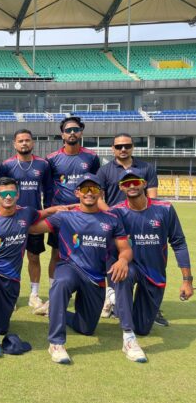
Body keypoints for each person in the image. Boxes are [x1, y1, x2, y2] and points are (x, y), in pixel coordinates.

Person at [29, 174, 143, 364]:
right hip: (70, 267)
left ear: (101, 193)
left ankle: (53, 310)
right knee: (61, 282)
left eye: (94, 189)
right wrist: (50, 210)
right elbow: (32, 228)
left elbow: (125, 249)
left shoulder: (112, 219)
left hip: (95, 277)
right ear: (77, 193)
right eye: (84, 189)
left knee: (86, 328)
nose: (89, 193)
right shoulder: (64, 216)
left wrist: (123, 260)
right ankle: (56, 343)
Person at [0, 177, 68, 357]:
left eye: (12, 192)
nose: (8, 196)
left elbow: (42, 213)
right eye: (4, 193)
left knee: (3, 327)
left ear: (18, 194)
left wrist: (62, 208)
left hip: (12, 277)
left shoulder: (26, 213)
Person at [111, 169, 192, 341]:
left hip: (154, 272)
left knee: (142, 329)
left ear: (144, 183)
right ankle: (126, 329)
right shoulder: (116, 212)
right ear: (121, 187)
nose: (131, 186)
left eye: (135, 181)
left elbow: (179, 243)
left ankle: (125, 309)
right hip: (131, 266)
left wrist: (187, 281)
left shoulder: (165, 209)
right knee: (124, 274)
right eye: (126, 183)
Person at [38, 117, 100, 316]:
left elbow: (97, 185)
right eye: (68, 130)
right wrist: (50, 210)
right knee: (57, 254)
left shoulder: (92, 157)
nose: (72, 133)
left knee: (88, 253)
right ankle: (54, 297)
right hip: (62, 215)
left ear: (81, 132)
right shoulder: (52, 158)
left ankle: (96, 294)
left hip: (85, 215)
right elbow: (47, 187)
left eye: (75, 129)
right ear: (62, 134)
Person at [96, 133, 160, 321]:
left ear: (132, 147)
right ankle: (112, 299)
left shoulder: (146, 168)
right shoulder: (104, 171)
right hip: (116, 225)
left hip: (141, 223)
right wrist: (113, 216)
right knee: (114, 260)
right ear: (112, 149)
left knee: (146, 262)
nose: (123, 149)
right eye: (118, 146)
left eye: (127, 146)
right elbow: (98, 199)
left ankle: (150, 305)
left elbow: (153, 197)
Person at [0, 129, 53, 311]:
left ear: (33, 142)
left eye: (27, 140)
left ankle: (34, 295)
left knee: (34, 257)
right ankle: (9, 295)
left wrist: (48, 212)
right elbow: (0, 191)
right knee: (10, 257)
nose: (24, 143)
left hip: (34, 218)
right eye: (20, 141)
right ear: (14, 144)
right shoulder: (7, 165)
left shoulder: (43, 164)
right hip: (11, 219)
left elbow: (49, 190)